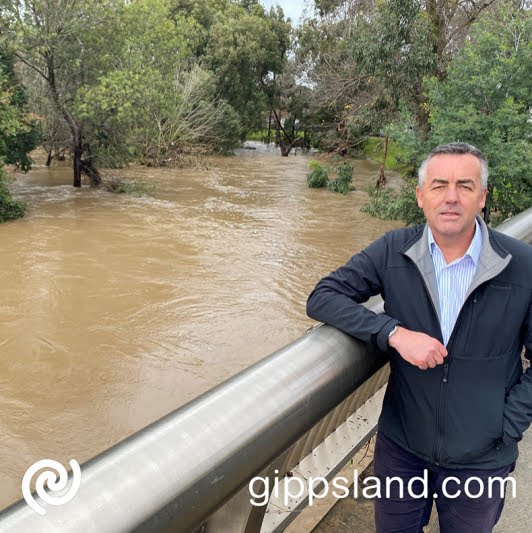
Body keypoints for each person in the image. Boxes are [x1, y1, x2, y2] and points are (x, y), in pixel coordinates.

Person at [306, 142, 532, 532]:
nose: (450, 198)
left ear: (482, 197)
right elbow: (323, 296)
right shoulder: (393, 251)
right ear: (419, 196)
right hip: (403, 447)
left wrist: (506, 425)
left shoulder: (521, 265)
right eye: (438, 185)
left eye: (464, 186)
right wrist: (392, 333)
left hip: (483, 459)